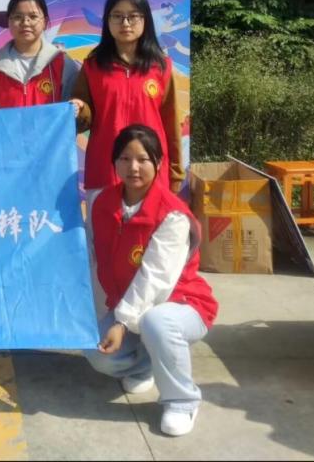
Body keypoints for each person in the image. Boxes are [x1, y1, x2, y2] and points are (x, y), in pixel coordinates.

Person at [83, 124, 217, 437]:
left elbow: (155, 276)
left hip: (182, 304)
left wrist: (121, 323)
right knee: (96, 354)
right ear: (114, 163)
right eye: (125, 158)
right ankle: (147, 365)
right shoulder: (102, 203)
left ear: (158, 163)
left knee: (157, 321)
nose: (133, 167)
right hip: (128, 306)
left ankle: (182, 401)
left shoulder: (172, 214)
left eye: (143, 159)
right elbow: (89, 254)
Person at [71, 0, 183, 205]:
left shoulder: (161, 67)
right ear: (107, 21)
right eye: (117, 16)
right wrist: (80, 109)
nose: (125, 23)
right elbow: (84, 119)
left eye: (133, 16)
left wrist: (175, 175)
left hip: (151, 172)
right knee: (103, 228)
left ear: (145, 20)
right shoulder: (93, 67)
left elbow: (171, 124)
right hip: (105, 171)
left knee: (150, 228)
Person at [0, 0, 77, 108]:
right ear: (9, 22)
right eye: (18, 17)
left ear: (45, 22)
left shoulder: (62, 63)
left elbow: (70, 111)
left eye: (33, 16)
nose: (25, 23)